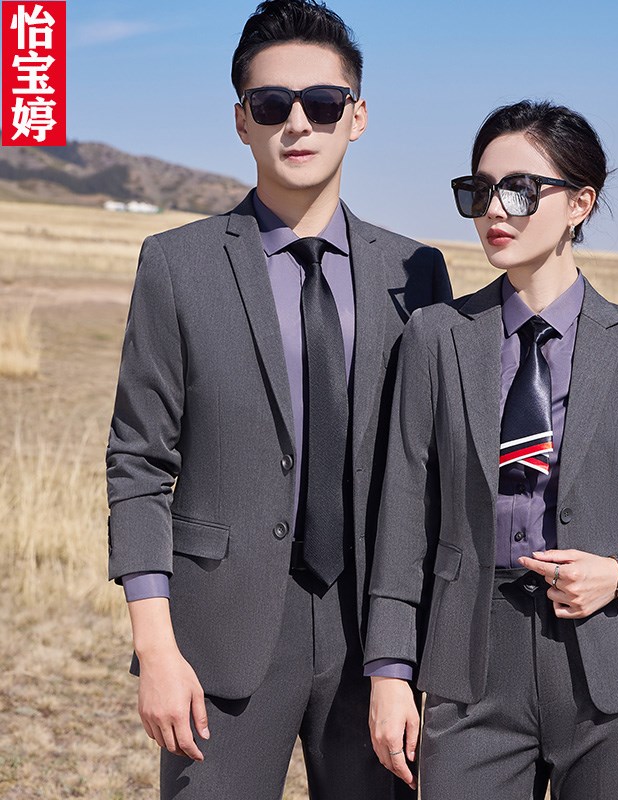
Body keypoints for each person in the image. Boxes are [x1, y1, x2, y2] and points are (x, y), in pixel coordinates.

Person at [105, 1, 451, 798]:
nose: (298, 123)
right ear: (242, 120)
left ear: (357, 116)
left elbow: (432, 471)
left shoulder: (417, 274)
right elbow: (138, 463)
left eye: (322, 103)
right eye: (271, 104)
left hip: (376, 643)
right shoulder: (177, 265)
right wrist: (156, 649)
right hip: (216, 639)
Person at [364, 100, 618, 799]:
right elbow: (402, 519)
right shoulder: (435, 336)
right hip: (469, 673)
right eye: (480, 190)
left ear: (580, 203)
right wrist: (390, 673)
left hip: (607, 674)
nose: (494, 209)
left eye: (521, 190)